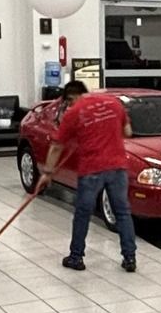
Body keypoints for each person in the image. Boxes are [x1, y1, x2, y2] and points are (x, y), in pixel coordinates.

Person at [44, 81, 137, 273]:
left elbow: (56, 147)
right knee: (122, 212)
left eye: (68, 103)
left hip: (91, 170)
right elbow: (128, 132)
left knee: (83, 214)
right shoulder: (113, 103)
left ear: (71, 98)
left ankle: (76, 257)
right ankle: (129, 258)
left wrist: (47, 173)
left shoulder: (74, 112)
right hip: (117, 167)